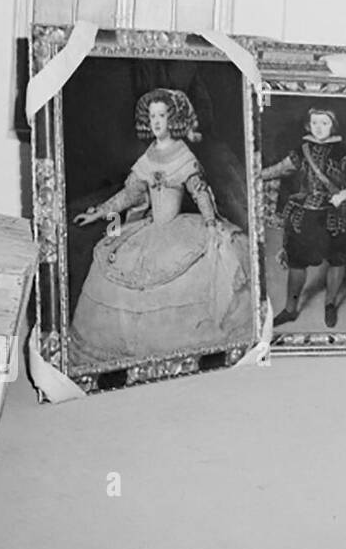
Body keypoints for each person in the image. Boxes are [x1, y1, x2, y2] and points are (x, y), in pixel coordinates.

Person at [70, 88, 251, 363]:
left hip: (177, 230)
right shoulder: (149, 156)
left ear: (172, 119)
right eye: (152, 116)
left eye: (162, 115)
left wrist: (211, 223)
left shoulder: (183, 156)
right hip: (150, 228)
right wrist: (99, 213)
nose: (156, 122)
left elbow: (199, 191)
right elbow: (130, 195)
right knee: (116, 265)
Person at [261, 107, 346, 329]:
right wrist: (256, 174)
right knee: (297, 262)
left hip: (336, 216)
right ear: (308, 125)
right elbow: (279, 169)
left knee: (337, 259)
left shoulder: (345, 152)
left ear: (332, 125)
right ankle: (290, 309)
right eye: (315, 123)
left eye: (324, 123)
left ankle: (330, 304)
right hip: (305, 216)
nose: (319, 128)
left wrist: (345, 193)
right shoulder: (301, 151)